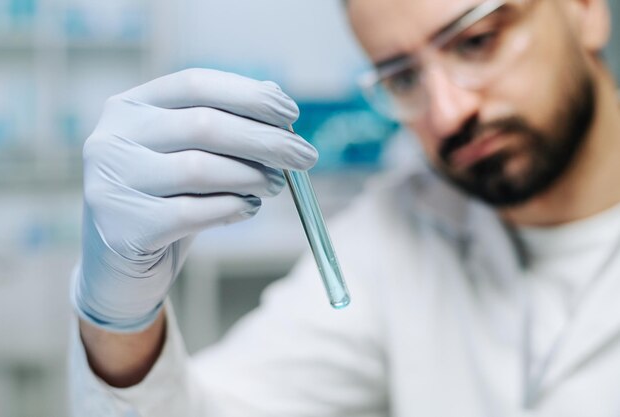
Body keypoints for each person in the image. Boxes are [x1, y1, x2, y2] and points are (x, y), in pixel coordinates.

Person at [70, 0, 620, 415]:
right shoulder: (396, 230)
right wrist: (119, 321)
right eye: (403, 76)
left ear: (587, 9)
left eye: (475, 41)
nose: (449, 113)